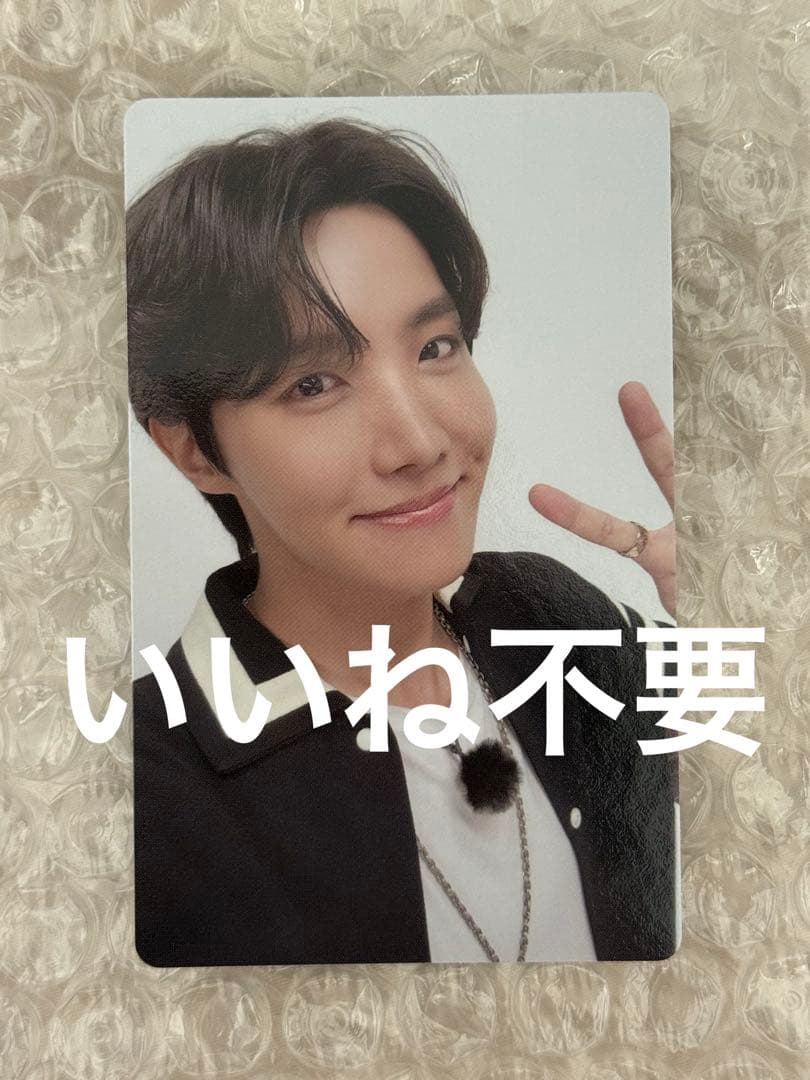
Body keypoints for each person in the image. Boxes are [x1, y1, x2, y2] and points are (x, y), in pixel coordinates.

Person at [127, 117, 679, 965]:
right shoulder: (144, 791)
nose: (419, 443)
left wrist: (759, 602)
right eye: (314, 383)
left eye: (435, 346)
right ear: (195, 450)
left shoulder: (548, 612)